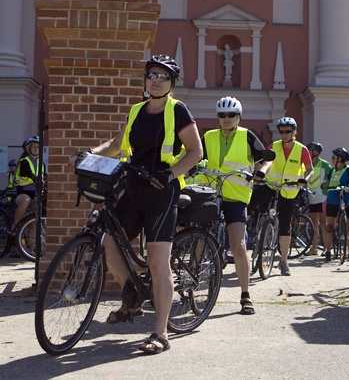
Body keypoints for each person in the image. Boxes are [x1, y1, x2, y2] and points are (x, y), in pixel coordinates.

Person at [69, 55, 202, 354]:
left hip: (162, 192)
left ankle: (161, 332)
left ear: (171, 83)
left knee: (157, 262)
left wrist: (169, 175)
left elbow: (194, 151)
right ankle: (134, 294)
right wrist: (88, 154)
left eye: (163, 76)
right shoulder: (136, 111)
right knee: (108, 242)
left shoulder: (177, 111)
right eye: (151, 74)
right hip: (131, 189)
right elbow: (116, 146)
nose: (155, 79)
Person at [202, 96, 273, 315]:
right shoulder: (208, 136)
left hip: (236, 197)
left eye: (230, 115)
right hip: (211, 193)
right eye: (222, 115)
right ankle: (192, 280)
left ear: (238, 116)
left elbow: (267, 158)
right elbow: (197, 156)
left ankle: (245, 295)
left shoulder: (247, 135)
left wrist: (261, 171)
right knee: (198, 236)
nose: (226, 119)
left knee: (238, 245)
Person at [252, 117, 313, 276]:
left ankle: (283, 261)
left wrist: (304, 180)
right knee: (254, 204)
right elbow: (266, 162)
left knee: (286, 225)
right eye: (281, 132)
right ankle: (258, 231)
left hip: (290, 190)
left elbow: (309, 169)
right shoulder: (274, 146)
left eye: (288, 131)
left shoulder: (302, 149)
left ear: (294, 132)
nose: (284, 135)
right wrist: (260, 174)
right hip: (272, 185)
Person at [324, 147, 349, 262]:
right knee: (329, 227)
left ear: (340, 159)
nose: (332, 159)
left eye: (334, 157)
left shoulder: (348, 170)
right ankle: (328, 251)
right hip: (332, 199)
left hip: (345, 199)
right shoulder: (332, 171)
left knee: (348, 228)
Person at [14, 137, 46, 229]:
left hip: (35, 193)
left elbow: (44, 178)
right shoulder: (24, 161)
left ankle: (32, 242)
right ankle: (15, 226)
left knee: (36, 217)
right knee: (26, 200)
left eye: (38, 147)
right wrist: (36, 179)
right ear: (29, 148)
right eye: (34, 147)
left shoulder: (41, 164)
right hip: (23, 192)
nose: (36, 149)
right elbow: (30, 174)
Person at [306, 142, 332, 256]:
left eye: (310, 150)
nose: (309, 152)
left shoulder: (324, 164)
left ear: (316, 152)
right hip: (312, 196)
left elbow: (332, 177)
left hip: (323, 197)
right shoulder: (306, 164)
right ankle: (314, 248)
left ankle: (327, 249)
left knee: (323, 223)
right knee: (313, 224)